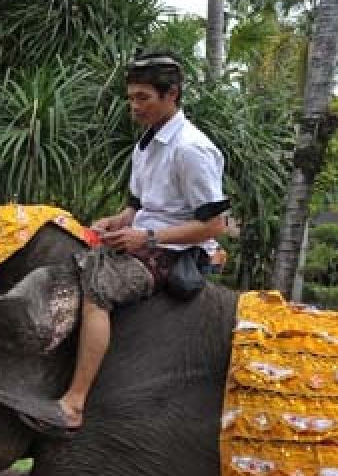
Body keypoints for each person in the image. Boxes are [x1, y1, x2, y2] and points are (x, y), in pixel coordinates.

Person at [54, 52, 228, 432]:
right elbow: (137, 207)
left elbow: (215, 224)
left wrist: (146, 236)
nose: (134, 107)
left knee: (99, 288)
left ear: (172, 95)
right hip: (145, 237)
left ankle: (76, 401)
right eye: (131, 98)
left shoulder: (190, 149)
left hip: (177, 250)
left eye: (143, 98)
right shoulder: (147, 144)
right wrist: (113, 223)